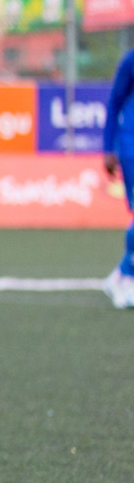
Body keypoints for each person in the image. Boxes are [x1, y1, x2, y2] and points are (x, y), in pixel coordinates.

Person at [103, 49, 134, 308]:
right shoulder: (131, 60)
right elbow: (114, 102)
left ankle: (121, 274)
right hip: (131, 146)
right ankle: (128, 280)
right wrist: (107, 148)